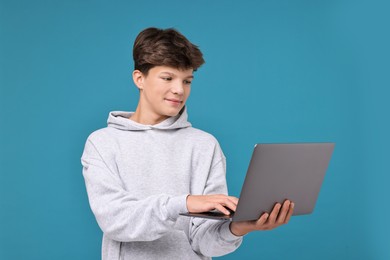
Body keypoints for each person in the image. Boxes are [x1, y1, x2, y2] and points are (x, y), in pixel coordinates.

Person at [81, 27, 294, 260]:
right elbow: (115, 220)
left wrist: (240, 227)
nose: (179, 90)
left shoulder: (204, 145)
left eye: (187, 80)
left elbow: (205, 242)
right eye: (168, 78)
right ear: (139, 78)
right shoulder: (103, 143)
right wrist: (184, 203)